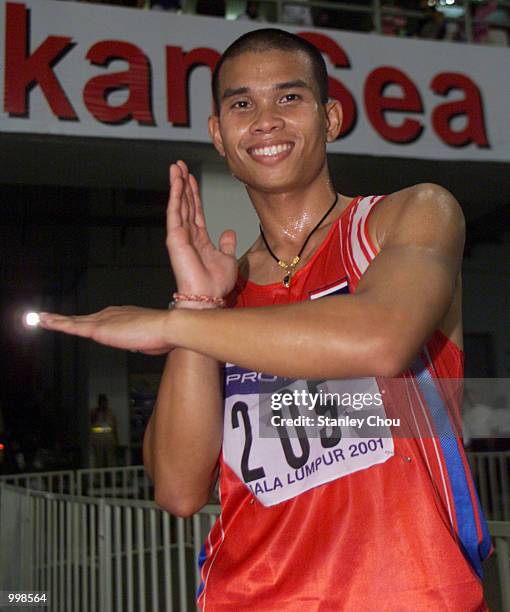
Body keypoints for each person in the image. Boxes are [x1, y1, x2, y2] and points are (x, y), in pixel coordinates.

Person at [39, 28, 492, 611]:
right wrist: (194, 304)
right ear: (219, 134)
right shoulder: (216, 303)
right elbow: (178, 489)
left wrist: (174, 325)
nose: (265, 120)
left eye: (289, 98)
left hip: (415, 594)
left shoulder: (408, 217)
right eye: (241, 104)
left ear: (330, 117)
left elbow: (383, 337)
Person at [90, 393, 118, 468]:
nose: (104, 404)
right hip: (98, 440)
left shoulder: (110, 413)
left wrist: (116, 440)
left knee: (111, 460)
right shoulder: (94, 412)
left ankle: (113, 477)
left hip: (109, 439)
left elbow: (114, 426)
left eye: (105, 402)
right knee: (99, 461)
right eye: (102, 402)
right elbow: (91, 422)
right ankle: (98, 479)